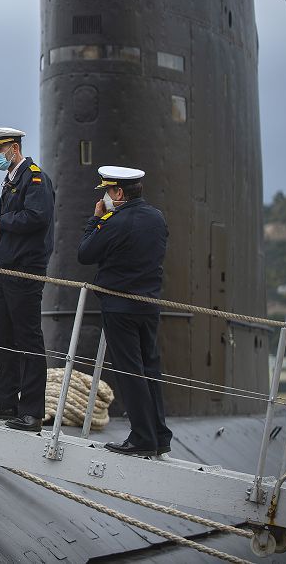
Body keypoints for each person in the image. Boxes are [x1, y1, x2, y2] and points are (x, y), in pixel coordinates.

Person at [78, 166, 172, 457]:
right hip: (149, 306)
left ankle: (142, 437)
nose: (106, 196)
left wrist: (96, 219)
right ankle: (159, 434)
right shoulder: (157, 218)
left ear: (118, 192)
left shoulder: (113, 222)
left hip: (120, 307)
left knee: (130, 372)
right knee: (150, 370)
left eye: (108, 191)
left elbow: (85, 254)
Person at [0, 127, 54, 432]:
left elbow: (38, 217)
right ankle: (4, 400)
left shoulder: (34, 178)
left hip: (25, 270)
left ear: (14, 148)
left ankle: (31, 410)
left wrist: (1, 222)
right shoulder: (11, 181)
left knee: (28, 339)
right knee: (4, 337)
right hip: (6, 268)